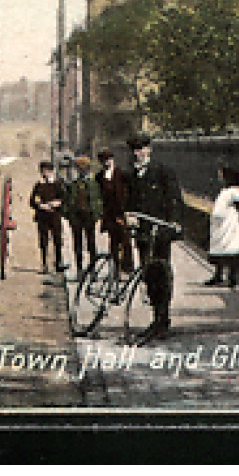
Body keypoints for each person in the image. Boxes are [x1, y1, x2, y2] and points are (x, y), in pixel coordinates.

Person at [127, 135, 182, 343]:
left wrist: (173, 223)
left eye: (140, 149)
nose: (137, 153)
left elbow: (174, 199)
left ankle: (162, 319)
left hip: (160, 232)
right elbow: (130, 201)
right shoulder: (133, 174)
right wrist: (130, 214)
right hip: (142, 232)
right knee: (148, 275)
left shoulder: (162, 172)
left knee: (161, 274)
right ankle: (155, 319)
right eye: (134, 149)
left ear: (149, 149)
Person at [205, 167, 239, 287]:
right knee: (220, 248)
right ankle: (218, 275)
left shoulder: (236, 192)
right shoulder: (225, 191)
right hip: (221, 225)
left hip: (231, 225)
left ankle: (232, 277)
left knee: (232, 250)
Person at [94, 148, 133, 272]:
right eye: (104, 160)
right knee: (113, 241)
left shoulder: (122, 174)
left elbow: (129, 192)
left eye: (109, 160)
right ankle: (116, 267)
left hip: (121, 213)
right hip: (109, 214)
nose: (107, 163)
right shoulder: (99, 177)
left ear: (113, 160)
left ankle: (127, 267)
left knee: (125, 240)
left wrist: (127, 210)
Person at [63, 153, 101, 270]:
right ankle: (79, 267)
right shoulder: (74, 184)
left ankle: (93, 267)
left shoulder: (93, 183)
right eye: (80, 169)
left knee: (91, 242)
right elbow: (68, 200)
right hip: (76, 216)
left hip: (89, 215)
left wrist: (97, 214)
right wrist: (68, 215)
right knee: (77, 242)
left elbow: (98, 199)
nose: (82, 171)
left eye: (84, 168)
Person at [29, 160, 66, 273]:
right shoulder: (39, 185)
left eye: (47, 171)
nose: (45, 174)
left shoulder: (57, 184)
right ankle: (44, 264)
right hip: (42, 216)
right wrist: (40, 205)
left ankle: (58, 262)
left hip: (55, 215)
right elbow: (32, 200)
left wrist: (56, 203)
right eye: (43, 172)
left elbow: (64, 198)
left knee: (57, 239)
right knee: (44, 240)